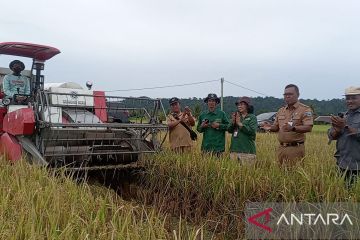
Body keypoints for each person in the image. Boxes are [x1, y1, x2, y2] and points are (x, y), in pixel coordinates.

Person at [261, 84, 313, 167]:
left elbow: (308, 127)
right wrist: (270, 127)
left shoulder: (305, 109)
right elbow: (276, 127)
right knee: (281, 174)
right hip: (281, 148)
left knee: (294, 175)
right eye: (285, 94)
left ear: (298, 95)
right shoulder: (281, 110)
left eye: (290, 94)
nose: (287, 96)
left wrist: (293, 128)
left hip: (295, 148)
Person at [328, 86, 360, 188]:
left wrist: (345, 127)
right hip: (342, 164)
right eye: (347, 98)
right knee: (342, 195)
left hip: (357, 166)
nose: (350, 101)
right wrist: (336, 131)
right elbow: (331, 135)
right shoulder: (342, 116)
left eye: (354, 98)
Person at [228, 97, 257, 163]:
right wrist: (233, 122)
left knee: (247, 173)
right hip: (234, 151)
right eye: (238, 104)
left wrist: (239, 124)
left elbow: (252, 131)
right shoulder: (236, 116)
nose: (239, 106)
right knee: (234, 172)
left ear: (247, 106)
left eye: (242, 104)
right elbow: (229, 130)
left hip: (247, 152)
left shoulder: (252, 117)